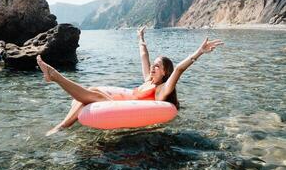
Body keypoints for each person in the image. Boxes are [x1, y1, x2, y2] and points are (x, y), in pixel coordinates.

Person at [37, 27, 224, 136]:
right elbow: (144, 56)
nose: (153, 67)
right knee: (92, 90)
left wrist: (199, 52)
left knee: (91, 93)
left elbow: (179, 69)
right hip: (116, 104)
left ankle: (55, 77)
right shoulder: (148, 81)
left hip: (116, 107)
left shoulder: (162, 90)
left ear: (165, 72)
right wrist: (140, 38)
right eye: (154, 65)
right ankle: (62, 125)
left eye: (157, 66)